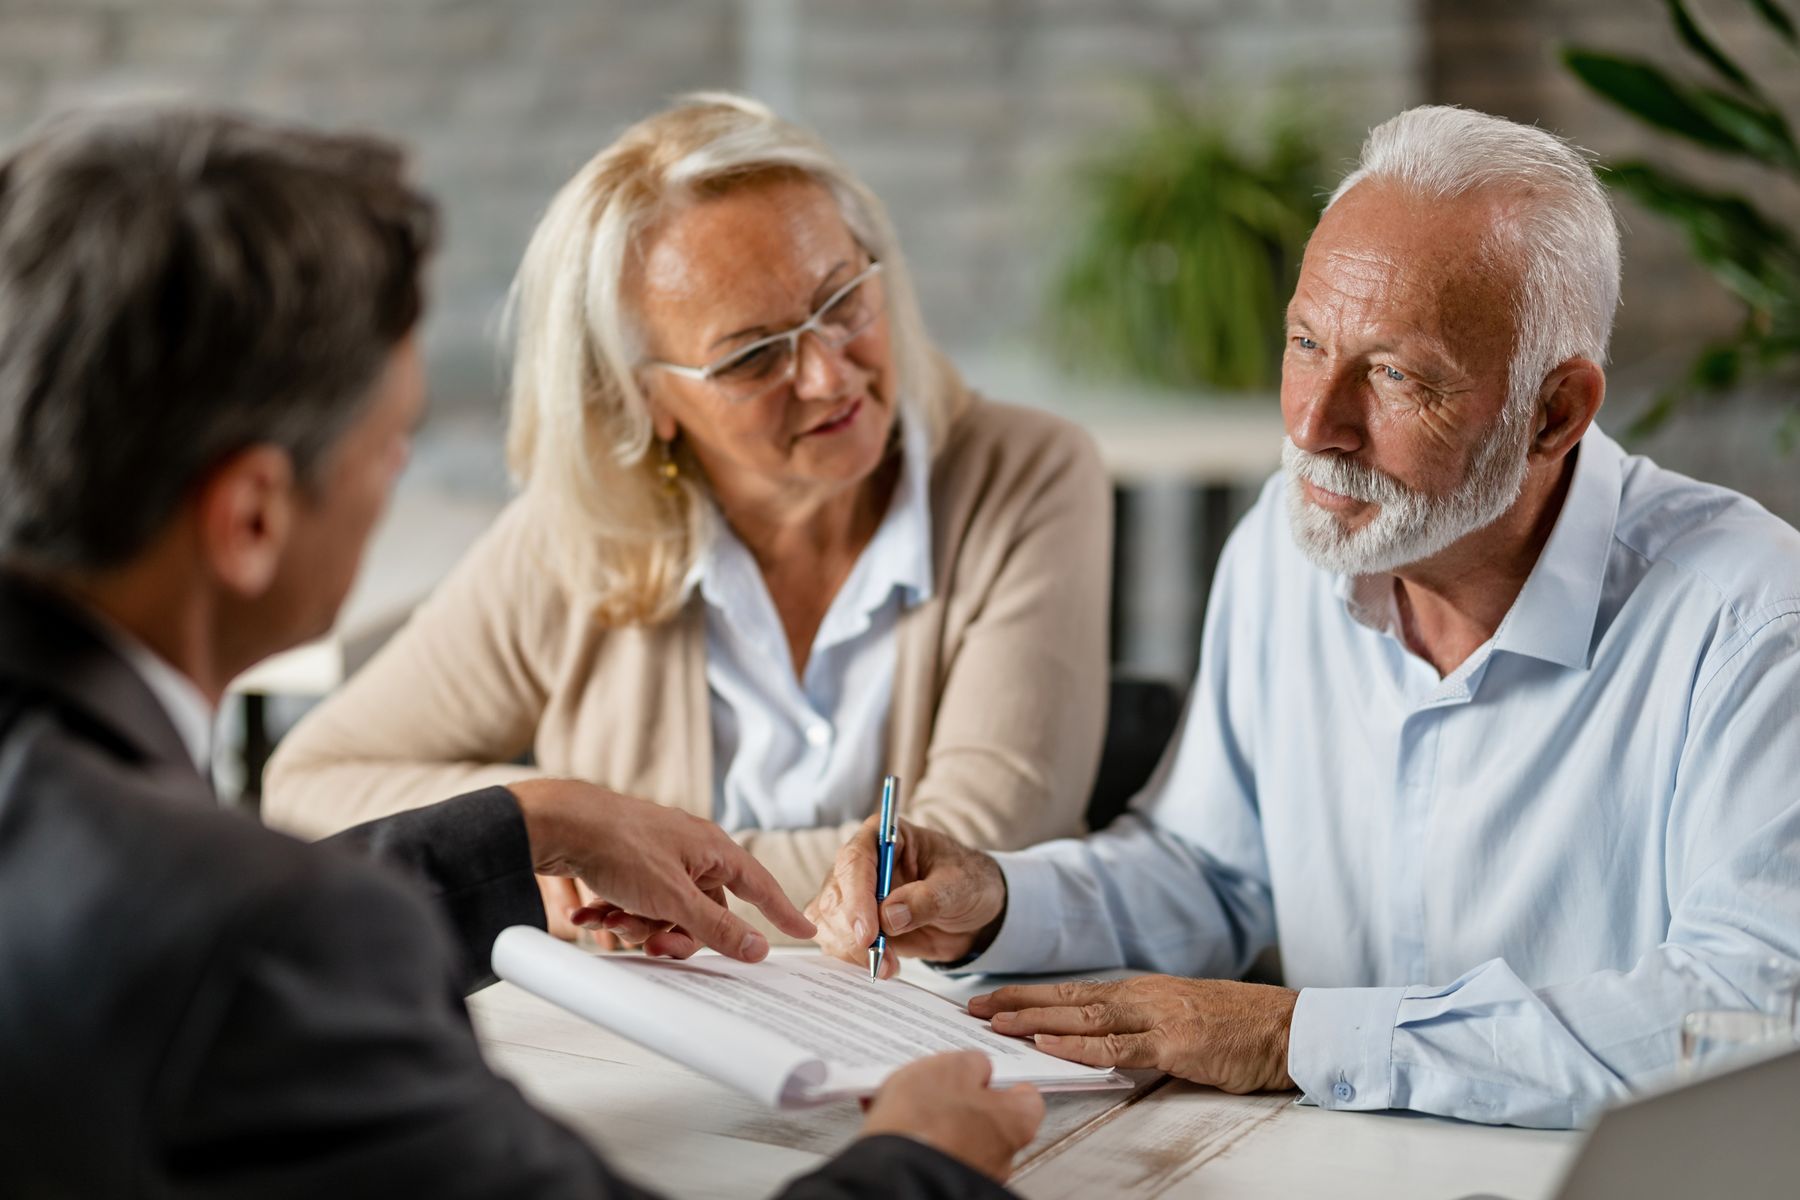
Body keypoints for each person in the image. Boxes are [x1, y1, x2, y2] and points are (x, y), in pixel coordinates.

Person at [0, 105, 1044, 1197]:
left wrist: (528, 828)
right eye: (392, 441)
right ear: (253, 517)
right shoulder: (264, 946)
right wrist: (926, 1168)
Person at [807, 105, 1800, 1129]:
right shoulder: (1285, 552)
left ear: (1554, 412)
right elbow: (1212, 874)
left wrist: (1295, 1038)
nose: (1314, 425)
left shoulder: (1755, 623)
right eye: (1306, 341)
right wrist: (998, 901)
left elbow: (1749, 1019)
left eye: (1395, 375)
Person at [261, 93, 1111, 942]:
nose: (828, 375)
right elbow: (309, 782)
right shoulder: (580, 536)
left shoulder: (1029, 474)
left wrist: (637, 867)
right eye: (752, 355)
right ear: (643, 397)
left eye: (843, 299)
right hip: (649, 1050)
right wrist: (549, 827)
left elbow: (973, 862)